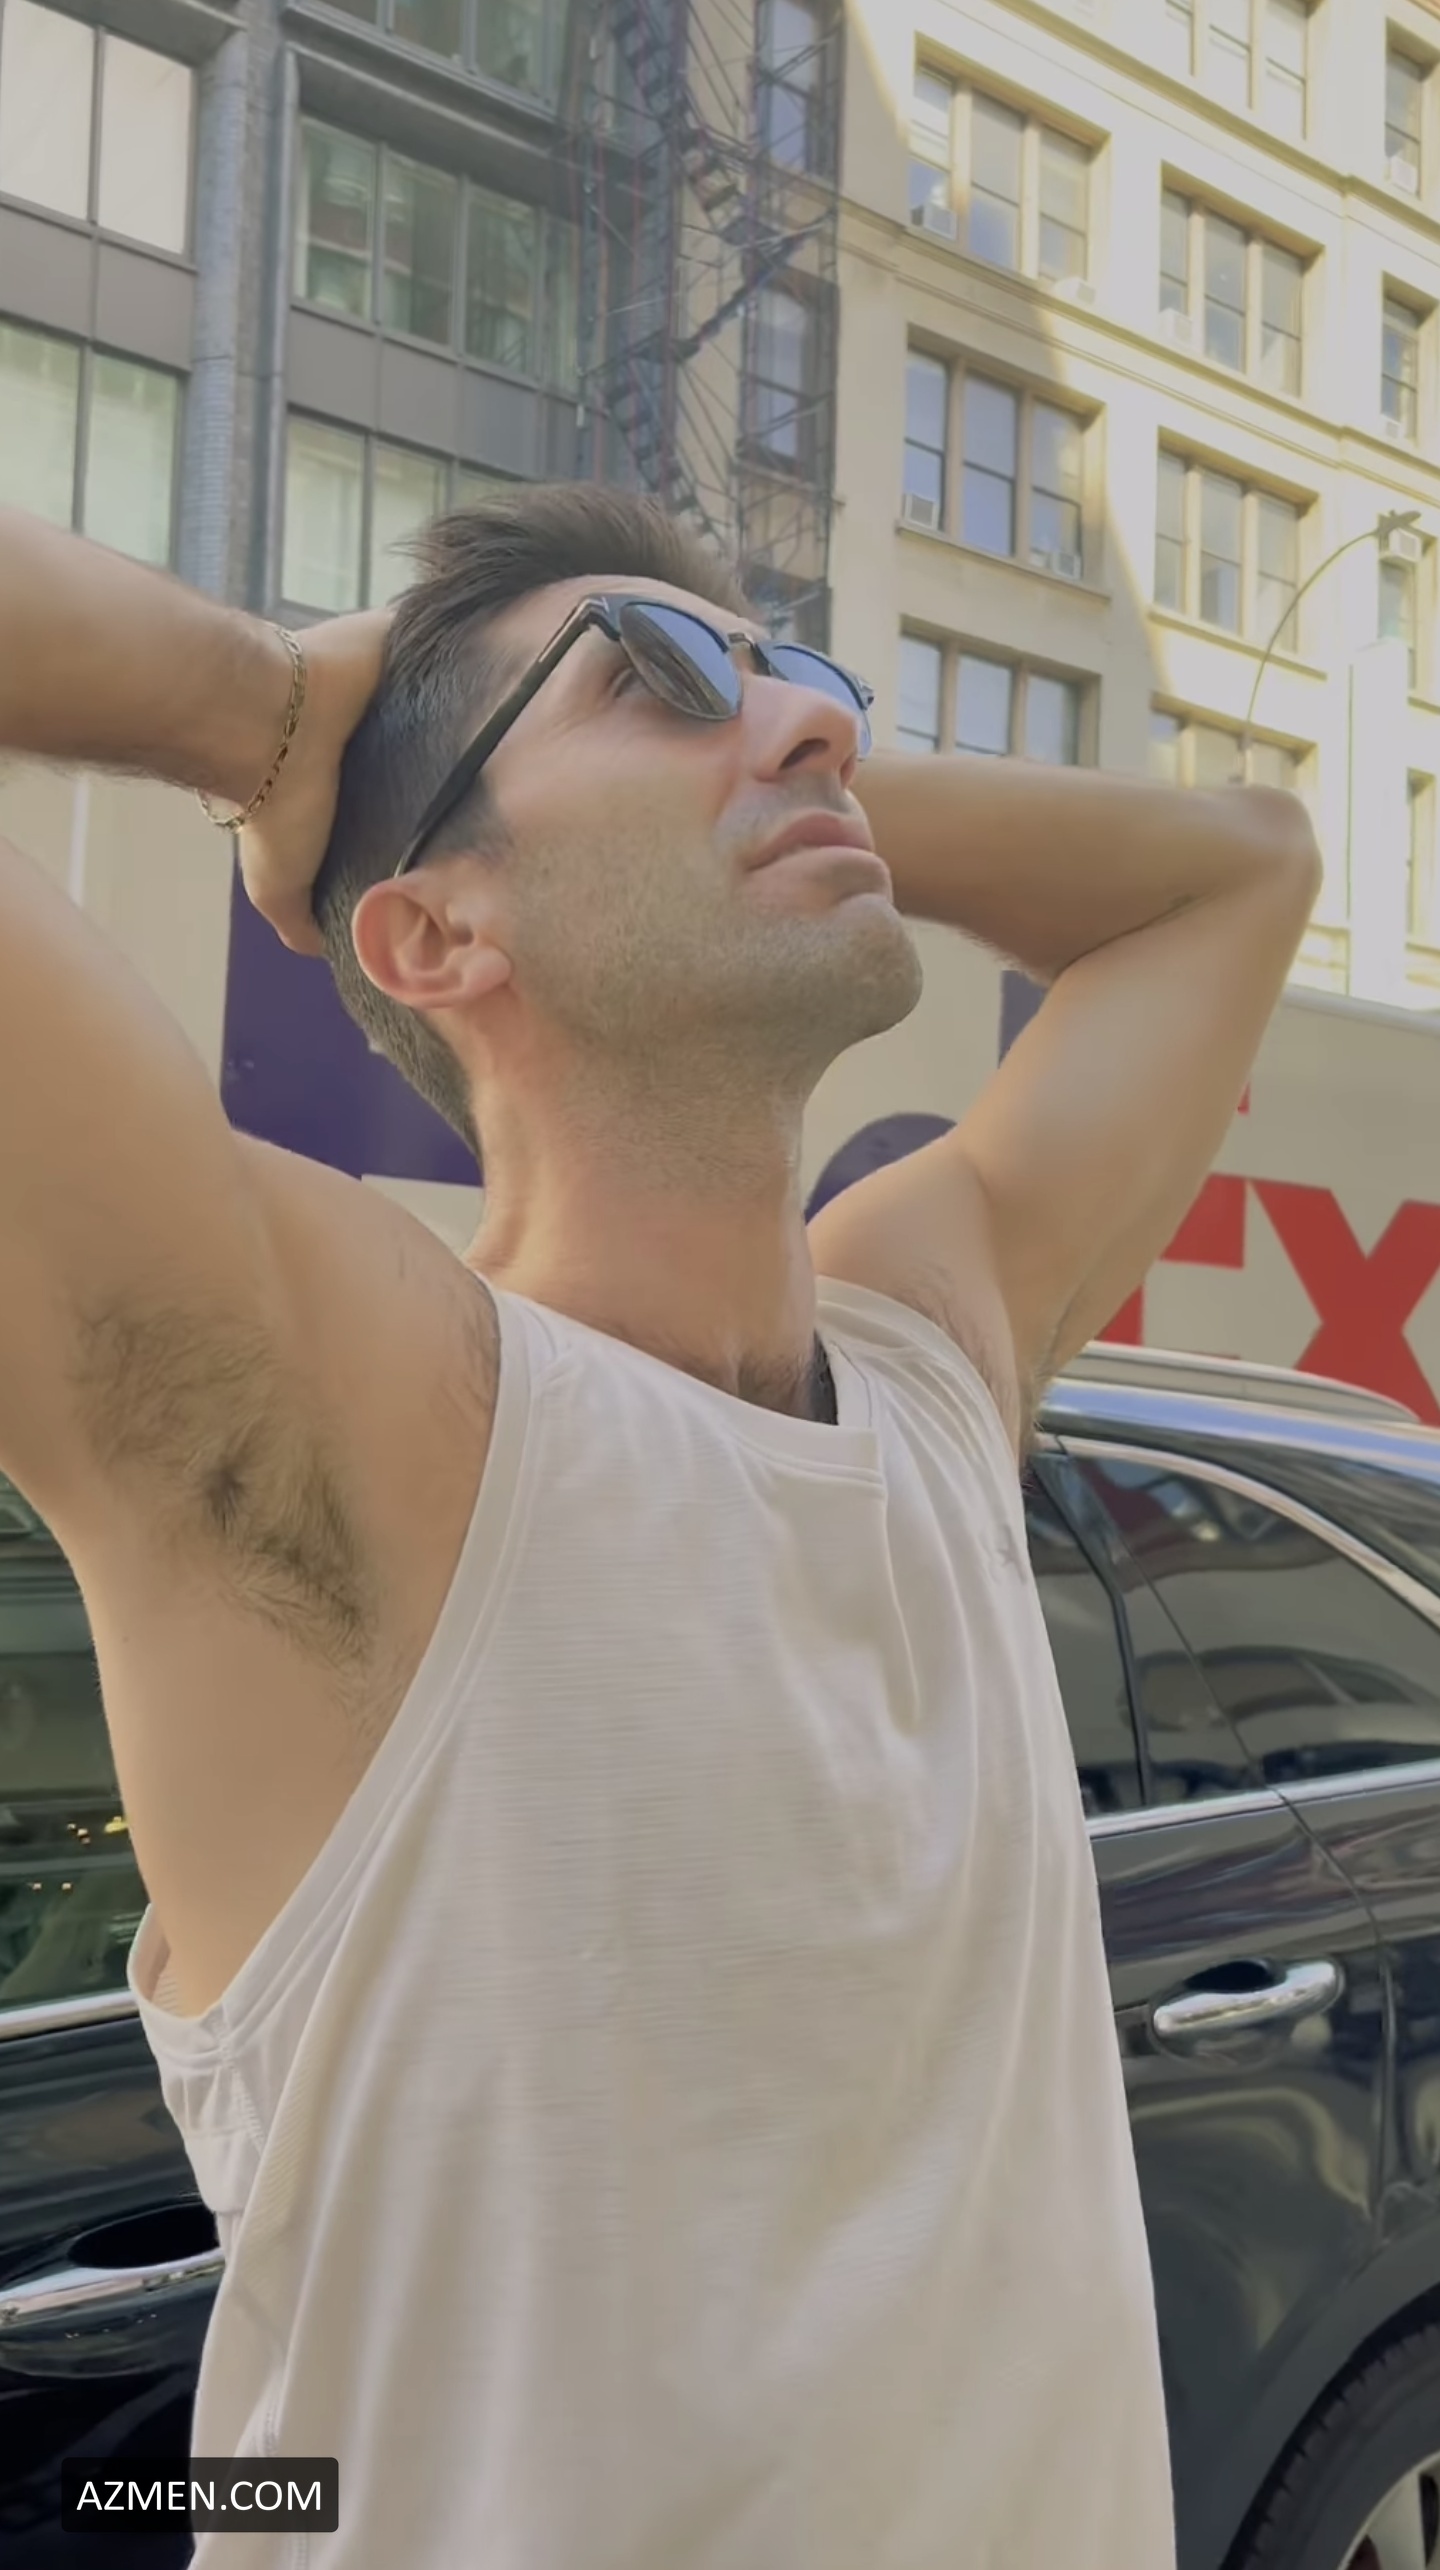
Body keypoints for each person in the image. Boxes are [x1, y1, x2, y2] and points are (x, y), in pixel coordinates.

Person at [0, 487, 1320, 2570]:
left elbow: (1239, 870)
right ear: (433, 935)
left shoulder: (927, 1357)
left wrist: (776, 752)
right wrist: (270, 717)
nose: (810, 724)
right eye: (665, 678)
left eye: (807, 680)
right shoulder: (352, 1407)